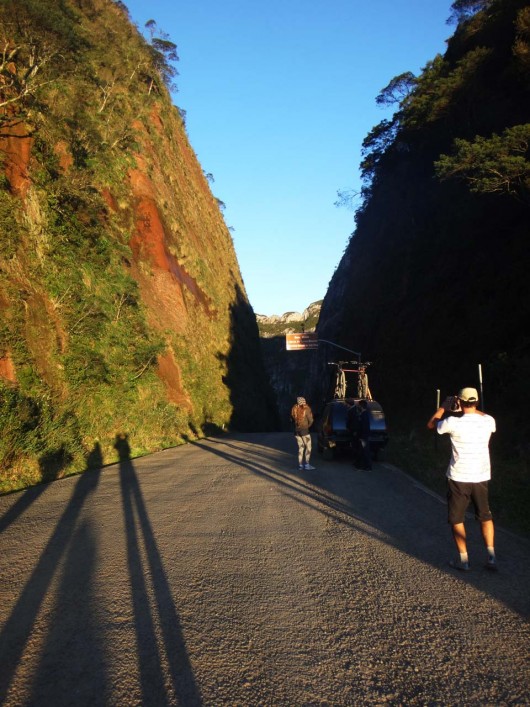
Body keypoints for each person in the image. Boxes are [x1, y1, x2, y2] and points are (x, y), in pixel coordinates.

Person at [427, 387, 497, 572]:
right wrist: (469, 409)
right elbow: (481, 416)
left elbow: (432, 425)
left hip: (459, 476)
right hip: (481, 475)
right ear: (476, 401)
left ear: (459, 400)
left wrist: (444, 407)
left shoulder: (452, 422)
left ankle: (464, 560)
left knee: (457, 519)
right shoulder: (488, 421)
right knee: (485, 515)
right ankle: (491, 557)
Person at [291, 397, 315, 470]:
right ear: (304, 401)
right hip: (305, 431)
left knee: (301, 448)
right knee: (308, 447)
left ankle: (300, 465)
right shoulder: (307, 409)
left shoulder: (294, 409)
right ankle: (307, 465)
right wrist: (307, 426)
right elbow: (311, 420)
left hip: (296, 431)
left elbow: (292, 420)